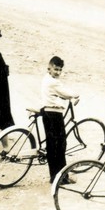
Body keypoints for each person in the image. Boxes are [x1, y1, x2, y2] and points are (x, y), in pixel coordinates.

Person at [40, 56, 79, 184]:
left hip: (47, 112)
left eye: (60, 70)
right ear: (49, 68)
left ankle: (55, 176)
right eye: (55, 69)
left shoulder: (47, 79)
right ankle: (61, 178)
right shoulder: (53, 82)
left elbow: (57, 93)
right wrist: (75, 95)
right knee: (60, 145)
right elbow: (65, 92)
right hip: (54, 115)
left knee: (52, 145)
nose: (57, 72)